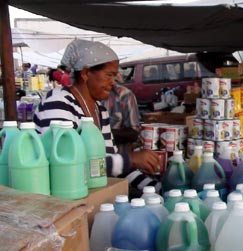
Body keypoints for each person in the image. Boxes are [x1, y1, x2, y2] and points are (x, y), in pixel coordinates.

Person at [34, 39, 161, 194]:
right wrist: (131, 159)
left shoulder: (100, 110)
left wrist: (154, 187)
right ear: (86, 73)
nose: (113, 83)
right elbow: (65, 165)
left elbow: (109, 164)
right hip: (62, 198)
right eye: (109, 75)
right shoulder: (58, 102)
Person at [101, 73, 141, 154]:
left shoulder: (124, 95)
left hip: (118, 158)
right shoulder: (74, 99)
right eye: (108, 74)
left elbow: (134, 133)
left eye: (113, 75)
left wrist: (100, 135)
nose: (113, 81)